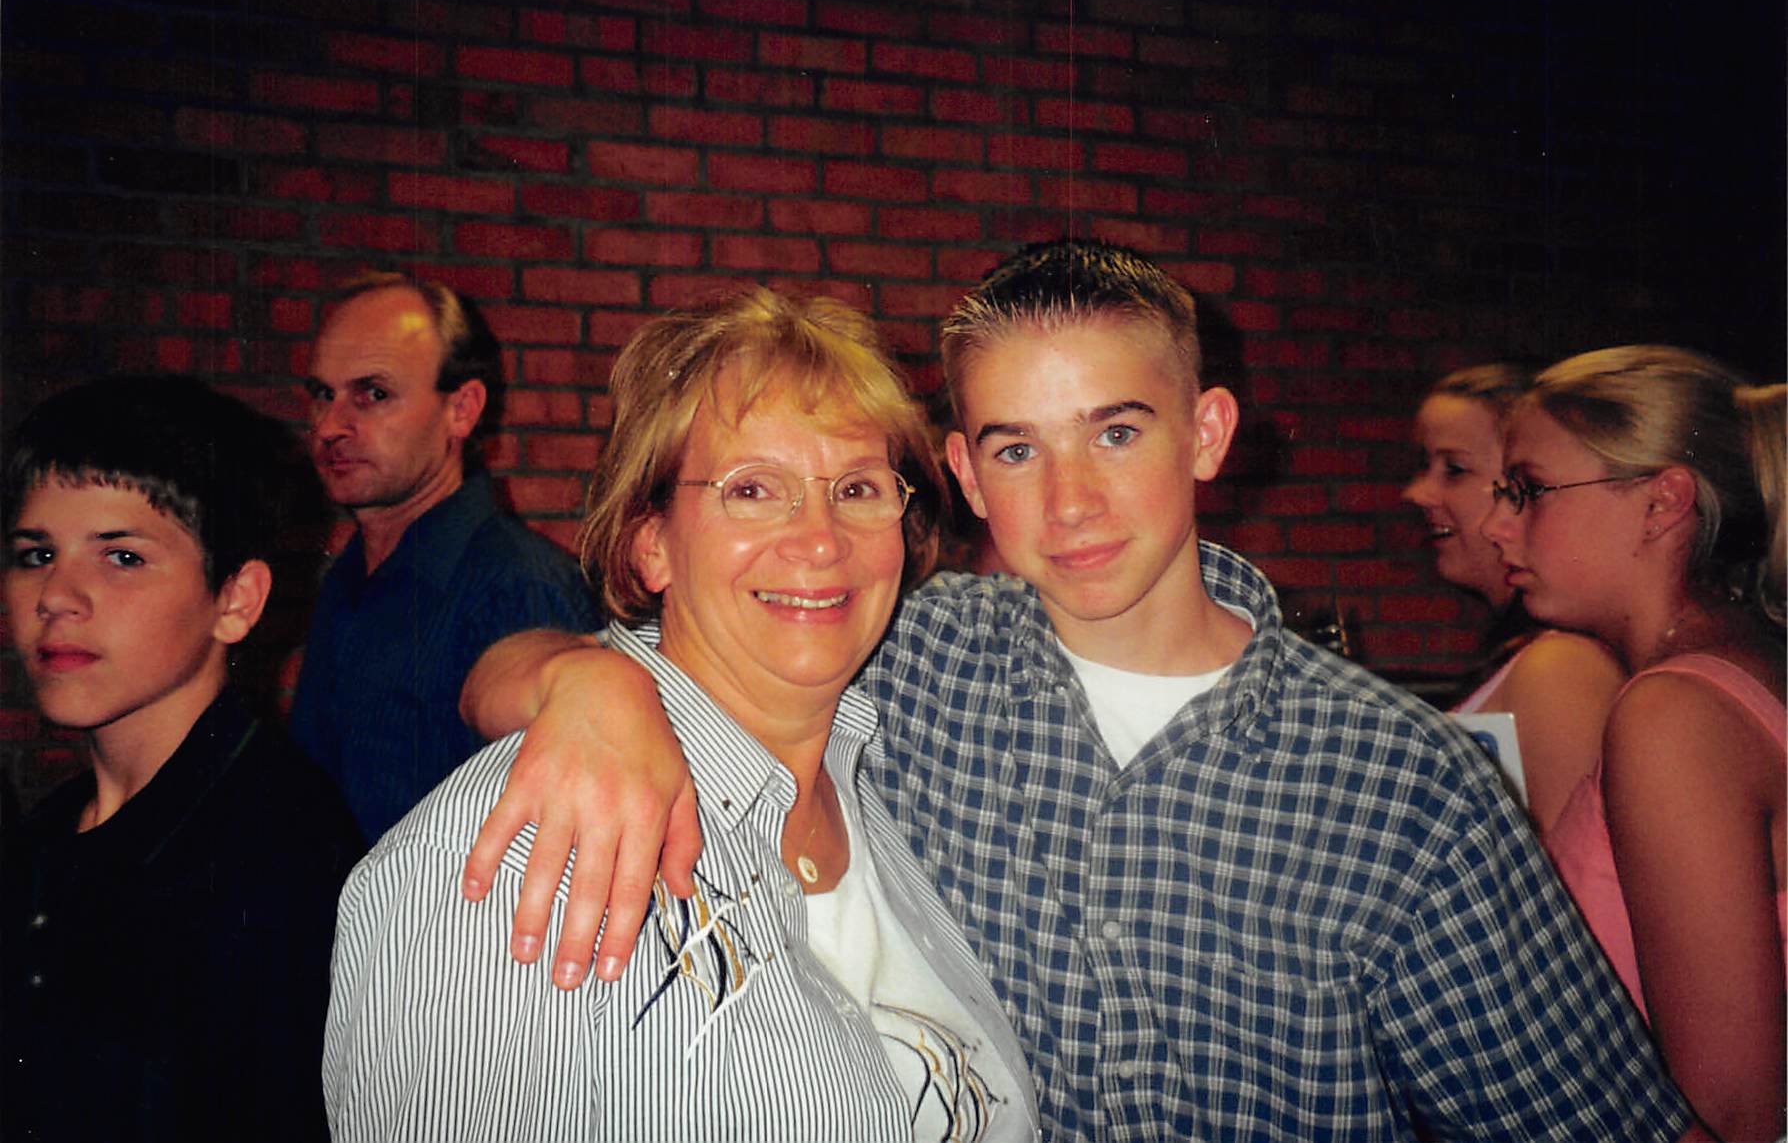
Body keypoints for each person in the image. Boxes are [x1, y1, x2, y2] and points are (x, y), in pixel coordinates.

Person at [459, 241, 1700, 1141]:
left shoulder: (1400, 782)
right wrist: (587, 682)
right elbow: (543, 666)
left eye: (1116, 432)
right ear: (963, 472)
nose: (1071, 502)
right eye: (1017, 447)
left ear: (1207, 433)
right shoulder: (898, 654)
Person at [323, 289, 1038, 1142]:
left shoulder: (884, 785)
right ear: (650, 543)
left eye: (856, 487)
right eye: (752, 489)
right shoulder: (518, 861)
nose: (820, 540)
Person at [0, 376, 364, 1143]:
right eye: (36, 554)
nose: (57, 595)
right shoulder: (49, 835)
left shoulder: (278, 850)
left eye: (121, 556)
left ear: (235, 600)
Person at [1483, 345, 1786, 1141]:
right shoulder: (1730, 670)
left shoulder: (1675, 712)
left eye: (1529, 490)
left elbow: (1728, 1115)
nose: (1495, 525)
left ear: (1661, 503)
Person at [290, 272, 598, 841]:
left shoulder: (520, 590)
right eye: (323, 395)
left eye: (373, 395)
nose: (330, 427)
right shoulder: (348, 577)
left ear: (462, 409)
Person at [1403, 364, 1625, 832]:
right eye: (1424, 466)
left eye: (1455, 469)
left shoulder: (1561, 667)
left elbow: (1571, 870)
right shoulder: (1536, 655)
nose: (1418, 492)